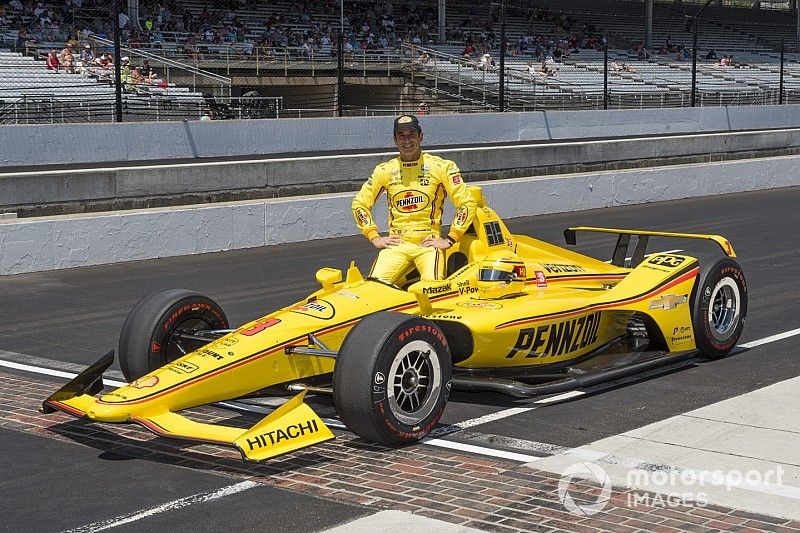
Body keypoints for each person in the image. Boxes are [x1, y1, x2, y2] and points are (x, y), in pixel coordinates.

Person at [351, 114, 477, 285]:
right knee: (373, 287)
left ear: (421, 136)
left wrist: (450, 239)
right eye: (401, 136)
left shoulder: (441, 167)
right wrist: (374, 236)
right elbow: (360, 205)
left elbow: (467, 203)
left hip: (428, 245)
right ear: (395, 140)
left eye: (411, 134)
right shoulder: (385, 170)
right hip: (396, 244)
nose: (407, 141)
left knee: (432, 289)